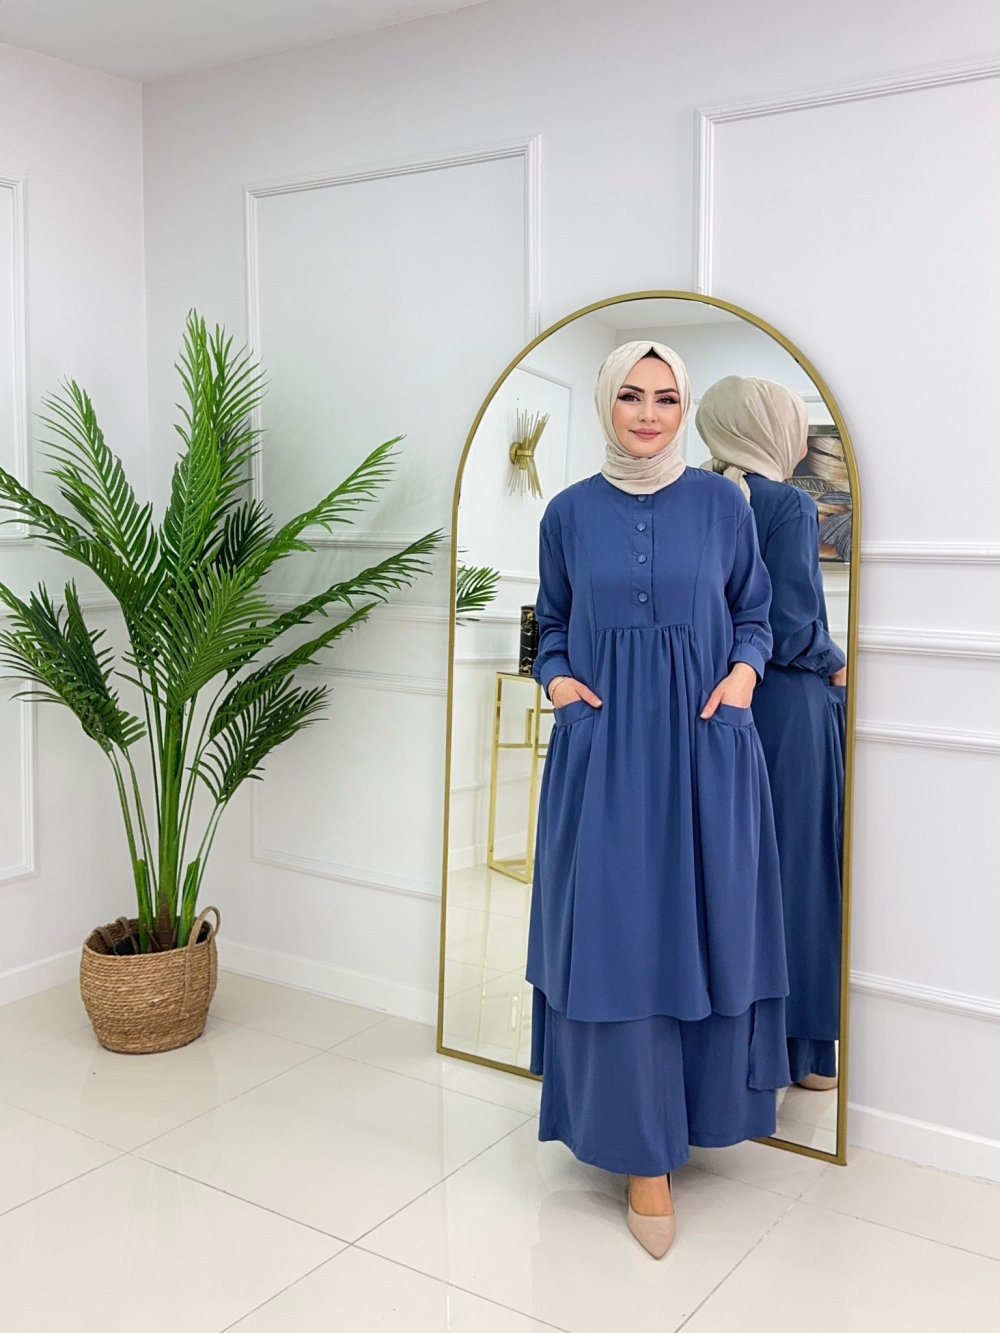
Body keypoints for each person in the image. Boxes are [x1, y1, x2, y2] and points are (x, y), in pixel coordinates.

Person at [527, 342, 791, 1260]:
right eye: (632, 396)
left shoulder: (724, 505)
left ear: (685, 409)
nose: (648, 413)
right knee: (621, 935)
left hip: (705, 743)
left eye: (667, 398)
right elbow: (551, 624)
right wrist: (560, 684)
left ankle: (699, 1113)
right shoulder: (567, 513)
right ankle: (643, 1153)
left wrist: (743, 677)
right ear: (607, 403)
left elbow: (755, 613)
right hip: (605, 750)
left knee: (702, 924)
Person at [697, 375, 847, 1093]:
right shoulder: (786, 502)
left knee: (727, 876)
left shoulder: (697, 494)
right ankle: (802, 1053)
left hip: (718, 706)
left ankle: (727, 1056)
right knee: (796, 874)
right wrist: (835, 661)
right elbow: (790, 627)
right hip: (785, 706)